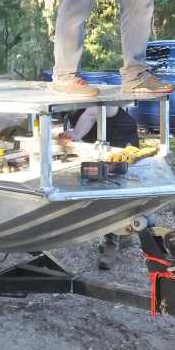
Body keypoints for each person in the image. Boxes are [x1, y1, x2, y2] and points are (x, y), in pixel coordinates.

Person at [57, 105, 140, 270]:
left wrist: (75, 134)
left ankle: (112, 244)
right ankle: (123, 234)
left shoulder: (98, 101)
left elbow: (93, 113)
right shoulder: (69, 105)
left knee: (111, 195)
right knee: (101, 191)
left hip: (120, 145)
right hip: (101, 147)